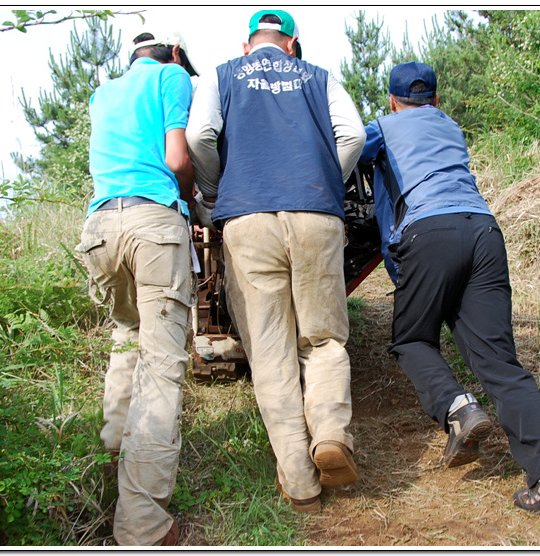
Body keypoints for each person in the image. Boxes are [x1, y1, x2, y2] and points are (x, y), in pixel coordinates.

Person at [357, 62, 540, 515]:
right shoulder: (450, 126)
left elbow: (346, 149)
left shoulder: (383, 127)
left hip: (431, 233)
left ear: (392, 101)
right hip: (484, 231)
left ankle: (459, 407)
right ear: (437, 100)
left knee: (411, 338)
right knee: (500, 362)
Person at [185, 9, 366, 512]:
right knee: (323, 336)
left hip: (247, 219)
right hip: (315, 211)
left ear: (248, 45)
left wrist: (219, 191)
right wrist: (328, 181)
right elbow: (352, 134)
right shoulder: (319, 75)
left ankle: (301, 481)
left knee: (270, 351)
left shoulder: (222, 74)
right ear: (292, 44)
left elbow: (200, 135)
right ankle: (330, 433)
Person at [76, 31, 199, 545]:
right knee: (161, 367)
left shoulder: (103, 91)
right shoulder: (171, 77)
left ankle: (108, 468)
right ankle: (143, 522)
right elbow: (176, 159)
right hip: (153, 224)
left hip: (100, 230)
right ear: (173, 55)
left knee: (126, 339)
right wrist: (192, 194)